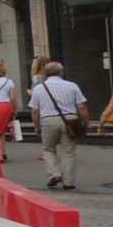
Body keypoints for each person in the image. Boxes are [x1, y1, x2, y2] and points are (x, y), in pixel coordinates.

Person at [28, 62, 88, 190]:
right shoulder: (72, 86)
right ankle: (68, 182)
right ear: (61, 72)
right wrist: (86, 123)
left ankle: (55, 174)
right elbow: (81, 106)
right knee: (68, 152)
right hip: (70, 121)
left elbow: (34, 110)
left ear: (44, 74)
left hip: (48, 121)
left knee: (48, 150)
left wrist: (36, 125)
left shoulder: (38, 88)